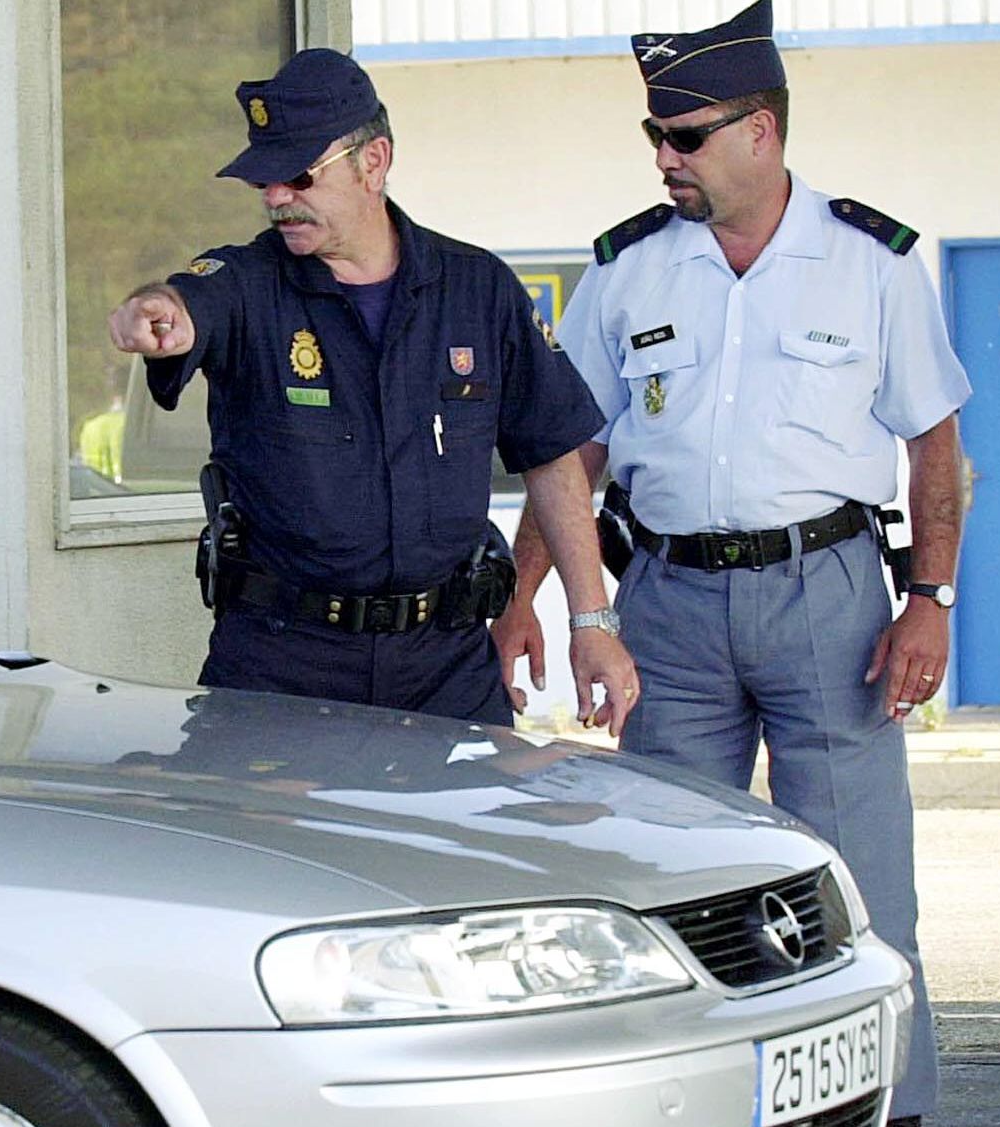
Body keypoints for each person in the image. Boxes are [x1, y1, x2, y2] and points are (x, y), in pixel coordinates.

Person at [492, 3, 966, 1127]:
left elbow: (934, 450)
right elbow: (572, 451)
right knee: (666, 873)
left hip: (830, 596)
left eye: (686, 135)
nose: (664, 157)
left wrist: (929, 602)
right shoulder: (626, 272)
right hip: (667, 605)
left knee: (856, 876)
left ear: (761, 130)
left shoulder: (872, 264)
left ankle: (883, 1114)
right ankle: (701, 1112)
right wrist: (524, 595)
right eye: (654, 135)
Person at [106, 48, 637, 729]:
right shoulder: (247, 284)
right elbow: (188, 301)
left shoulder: (475, 289)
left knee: (462, 838)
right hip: (284, 662)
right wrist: (158, 311)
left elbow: (553, 452)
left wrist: (590, 621)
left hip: (445, 663)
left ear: (374, 161)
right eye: (263, 181)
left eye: (297, 175)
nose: (276, 198)